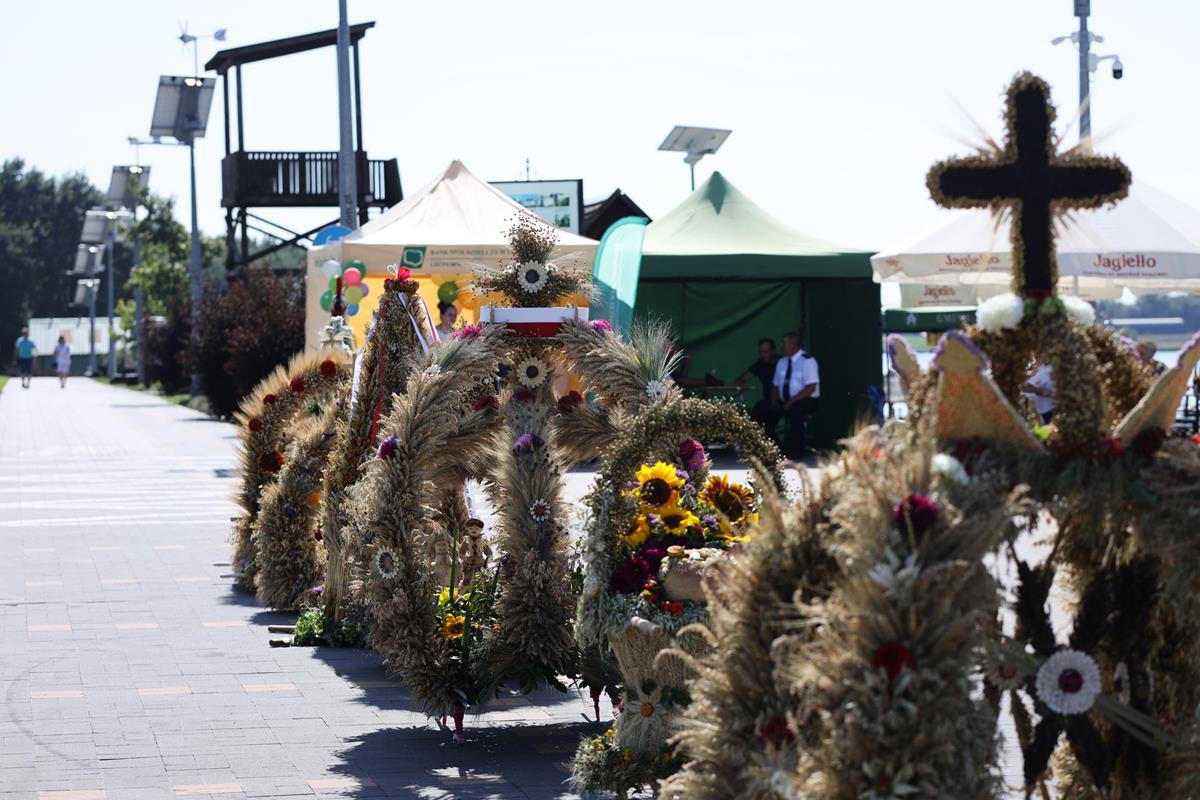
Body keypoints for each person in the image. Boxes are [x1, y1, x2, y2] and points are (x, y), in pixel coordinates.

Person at [769, 332, 820, 460]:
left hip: (805, 400)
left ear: (793, 345)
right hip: (785, 401)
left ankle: (798, 451)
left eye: (784, 343)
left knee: (796, 410)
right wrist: (774, 402)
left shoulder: (807, 361)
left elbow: (811, 387)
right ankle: (776, 449)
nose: (782, 346)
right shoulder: (782, 362)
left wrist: (791, 402)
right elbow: (775, 385)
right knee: (763, 409)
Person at [734, 338, 780, 440]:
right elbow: (743, 378)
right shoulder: (760, 364)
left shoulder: (783, 363)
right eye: (761, 352)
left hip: (784, 401)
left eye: (766, 352)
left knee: (766, 415)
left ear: (773, 351)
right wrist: (740, 382)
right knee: (757, 414)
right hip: (769, 402)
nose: (763, 355)